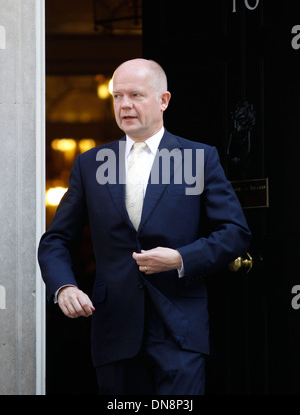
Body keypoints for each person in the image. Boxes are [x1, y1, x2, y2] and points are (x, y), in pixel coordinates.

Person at [38, 58, 251, 395]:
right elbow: (56, 240)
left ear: (163, 100)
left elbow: (236, 232)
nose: (124, 105)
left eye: (135, 95)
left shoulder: (198, 157)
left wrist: (181, 258)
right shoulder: (89, 163)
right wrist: (64, 287)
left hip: (180, 324)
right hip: (114, 325)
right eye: (117, 96)